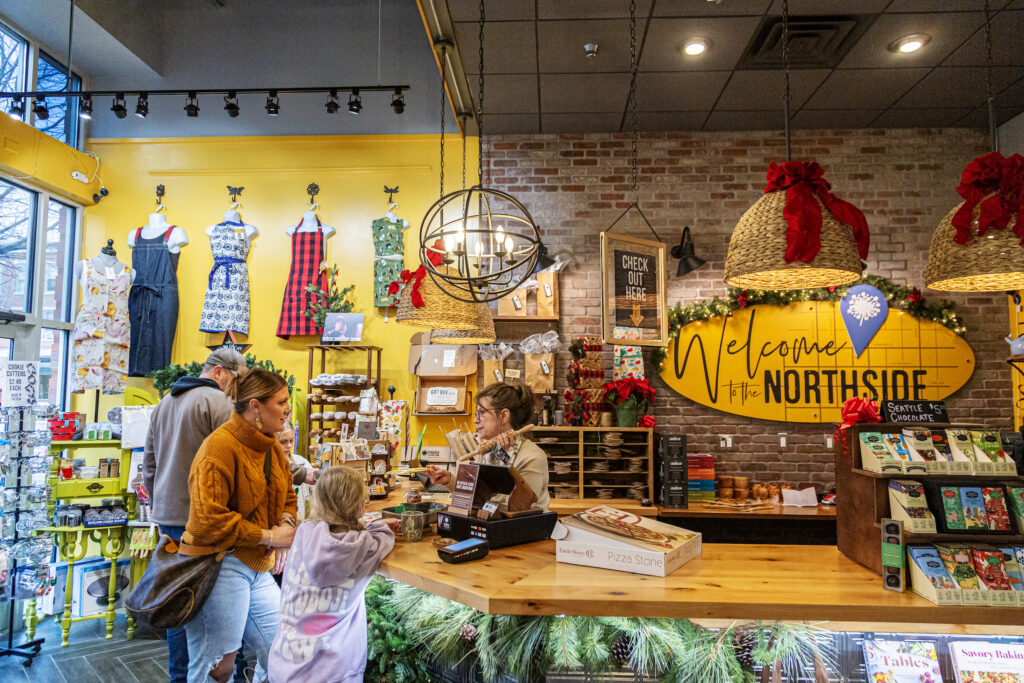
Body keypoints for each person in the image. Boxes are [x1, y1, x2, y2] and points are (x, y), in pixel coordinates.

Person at [181, 368, 298, 683]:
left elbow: (288, 494)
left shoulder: (271, 445)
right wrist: (270, 536)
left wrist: (286, 524)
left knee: (282, 653)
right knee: (217, 668)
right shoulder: (219, 447)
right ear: (256, 406)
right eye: (281, 402)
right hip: (217, 563)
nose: (288, 409)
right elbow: (207, 520)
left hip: (256, 564)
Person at [142, 348, 246, 683]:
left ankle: (179, 677)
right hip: (205, 521)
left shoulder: (163, 404)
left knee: (178, 603)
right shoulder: (218, 404)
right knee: (214, 605)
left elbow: (149, 465)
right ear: (220, 373)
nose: (236, 389)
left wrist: (163, 503)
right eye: (237, 380)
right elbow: (240, 462)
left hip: (170, 518)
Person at [268, 466, 395, 683]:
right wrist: (374, 525)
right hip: (334, 672)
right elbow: (385, 535)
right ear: (360, 506)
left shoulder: (304, 532)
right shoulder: (365, 548)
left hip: (285, 665)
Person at [426, 382, 550, 511]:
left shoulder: (532, 457)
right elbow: (479, 497)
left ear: (504, 416)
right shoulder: (486, 450)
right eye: (476, 414)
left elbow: (518, 508)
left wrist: (502, 462)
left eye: (482, 413)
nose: (476, 420)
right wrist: (449, 481)